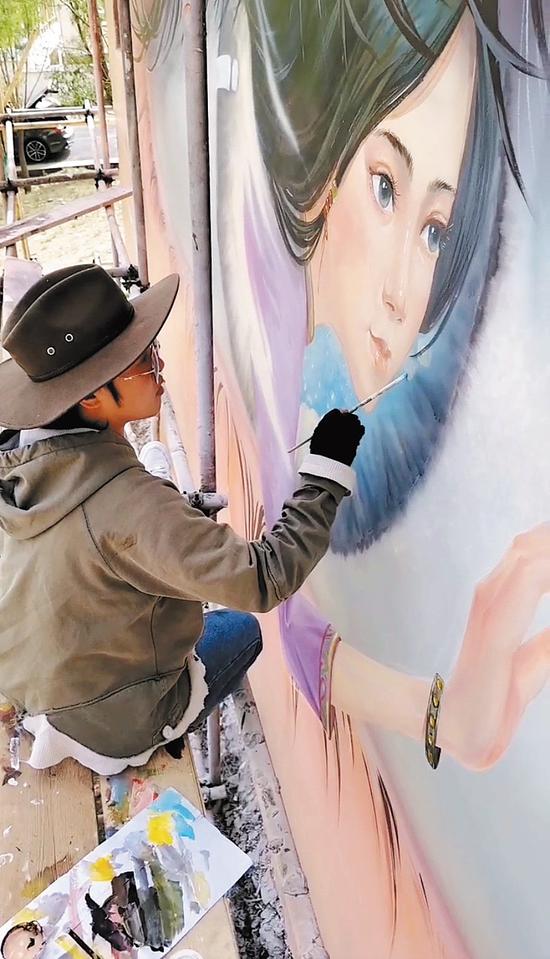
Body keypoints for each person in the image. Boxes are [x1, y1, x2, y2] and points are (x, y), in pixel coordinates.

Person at [209, 0, 550, 771]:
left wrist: (448, 721)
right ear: (326, 167)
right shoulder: (275, 279)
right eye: (386, 186)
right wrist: (444, 718)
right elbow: (285, 607)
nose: (403, 292)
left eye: (436, 230)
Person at [0, 264, 364, 775]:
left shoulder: (24, 462)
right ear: (89, 395)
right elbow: (264, 578)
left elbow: (93, 541)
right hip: (109, 723)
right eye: (142, 359)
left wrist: (176, 516)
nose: (161, 362)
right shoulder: (129, 505)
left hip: (33, 686)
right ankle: (155, 736)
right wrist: (325, 471)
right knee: (241, 630)